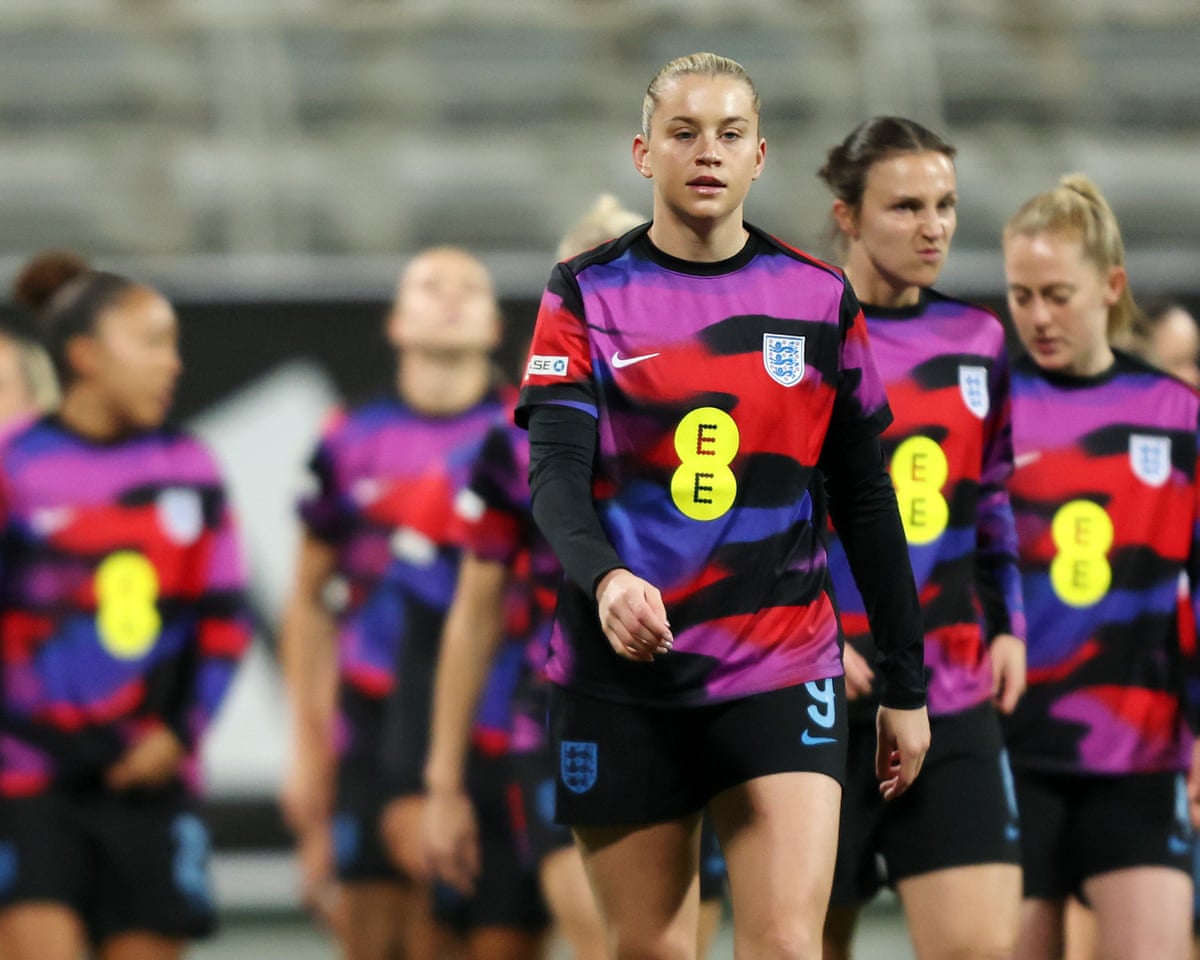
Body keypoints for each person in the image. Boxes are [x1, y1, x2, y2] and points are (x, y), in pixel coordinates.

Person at [516, 53, 930, 960]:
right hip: (623, 676)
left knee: (786, 943)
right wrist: (610, 580)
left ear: (759, 157)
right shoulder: (582, 293)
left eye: (729, 134)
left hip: (780, 665)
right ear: (643, 153)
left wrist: (906, 679)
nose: (708, 152)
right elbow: (553, 479)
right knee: (652, 948)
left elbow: (865, 499)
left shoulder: (818, 300)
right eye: (684, 132)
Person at [419, 193, 729, 960]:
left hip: (706, 703)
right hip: (562, 710)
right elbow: (475, 612)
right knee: (616, 944)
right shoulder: (511, 438)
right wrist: (443, 780)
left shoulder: (720, 415)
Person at [280, 245, 543, 960]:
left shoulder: (531, 435)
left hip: (504, 715)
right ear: (396, 322)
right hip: (375, 719)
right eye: (430, 285)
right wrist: (308, 746)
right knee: (379, 935)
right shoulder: (349, 438)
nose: (450, 297)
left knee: (500, 939)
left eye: (470, 287)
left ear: (496, 326)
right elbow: (308, 600)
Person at [815, 116, 1026, 960]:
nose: (933, 226)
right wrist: (820, 627)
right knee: (802, 943)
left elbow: (993, 500)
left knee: (978, 947)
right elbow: (749, 513)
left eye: (944, 205)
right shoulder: (798, 338)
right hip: (816, 693)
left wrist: (1006, 623)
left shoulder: (977, 342)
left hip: (950, 683)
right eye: (905, 207)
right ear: (848, 218)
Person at [0, 259, 251, 960]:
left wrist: (178, 733)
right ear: (84, 357)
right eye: (151, 343)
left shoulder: (190, 467)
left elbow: (226, 622)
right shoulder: (14, 464)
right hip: (25, 785)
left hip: (151, 781)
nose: (172, 364)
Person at [1002, 174, 1200, 960]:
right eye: (1020, 296)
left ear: (1111, 287)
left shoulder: (1176, 415)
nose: (1038, 317)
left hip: (1141, 752)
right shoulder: (987, 404)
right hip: (1008, 750)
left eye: (1058, 293)